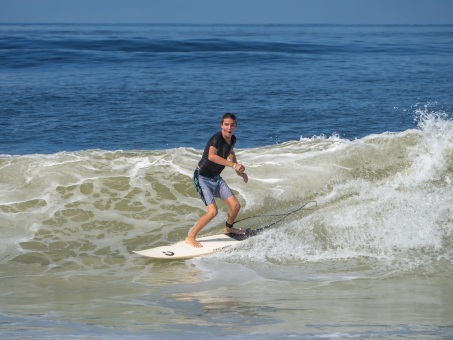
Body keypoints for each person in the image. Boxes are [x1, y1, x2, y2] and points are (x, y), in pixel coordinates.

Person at [186, 113, 248, 248]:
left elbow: (230, 152)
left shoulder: (232, 139)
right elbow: (212, 156)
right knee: (213, 212)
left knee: (235, 206)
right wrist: (233, 165)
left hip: (216, 177)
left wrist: (238, 171)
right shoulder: (216, 139)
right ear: (221, 125)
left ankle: (228, 228)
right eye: (226, 124)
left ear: (235, 126)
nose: (229, 127)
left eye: (232, 125)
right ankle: (190, 237)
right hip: (202, 177)